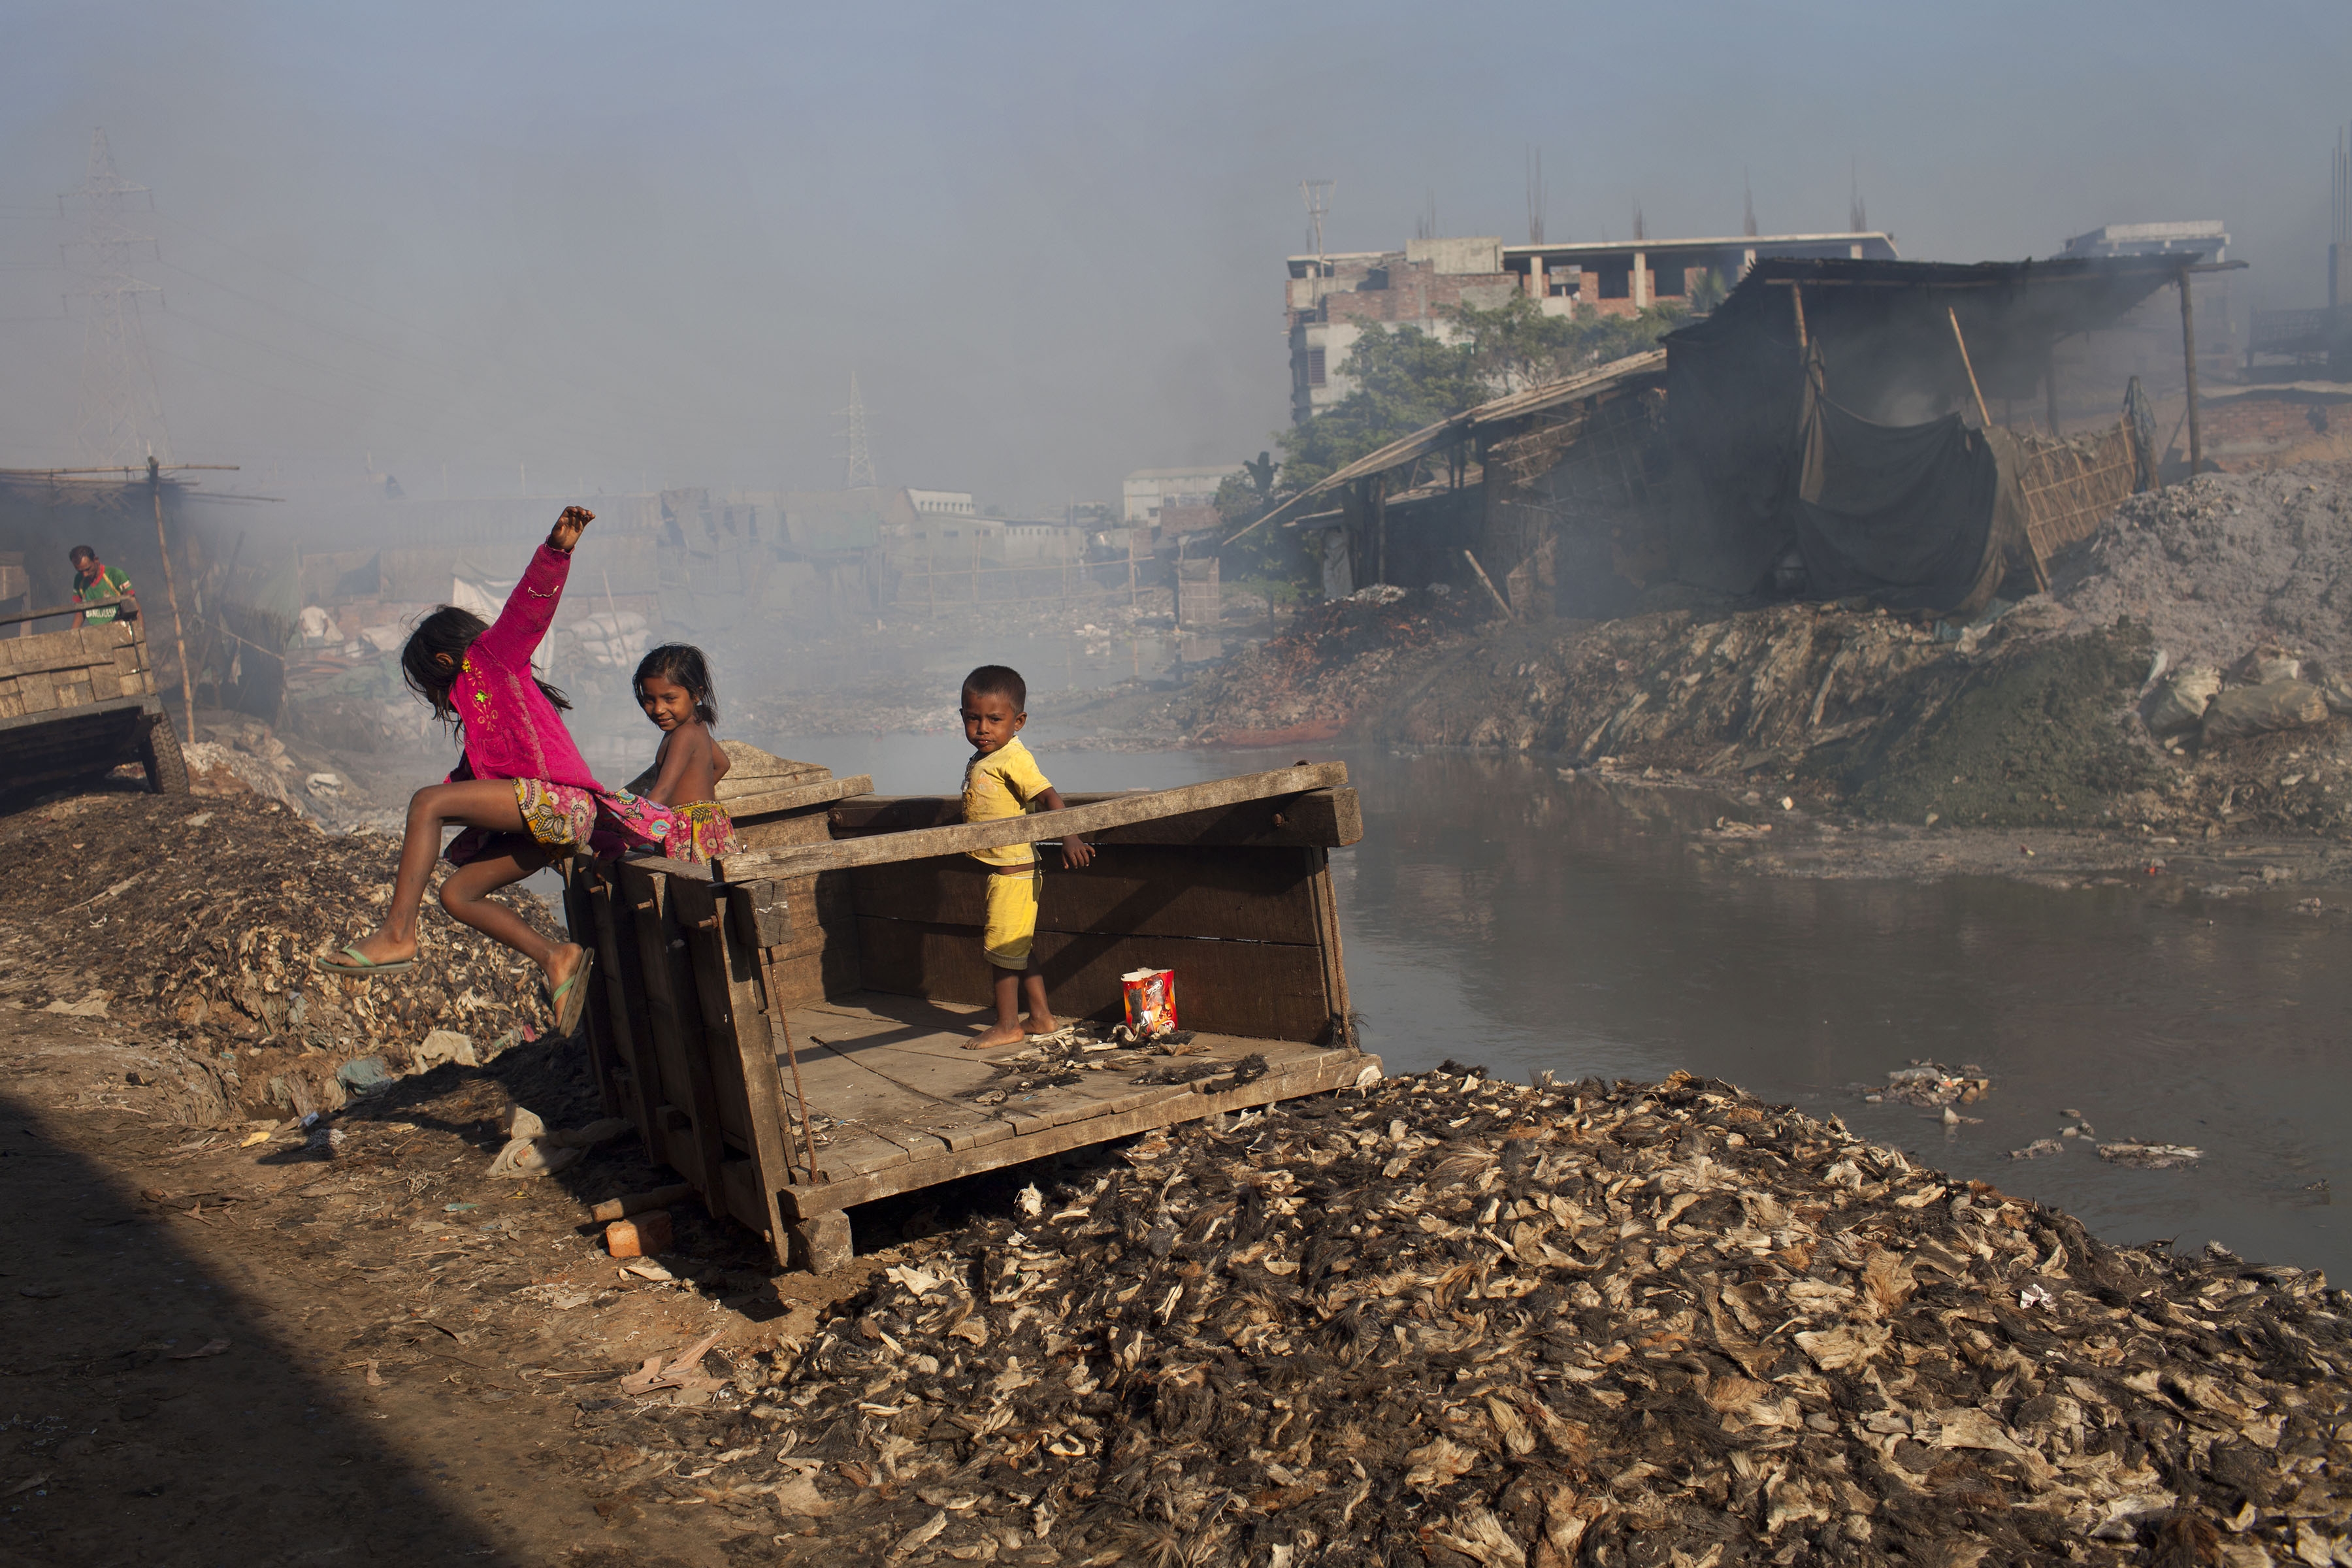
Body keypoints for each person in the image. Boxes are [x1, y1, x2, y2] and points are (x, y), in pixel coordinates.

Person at [317, 506, 674, 1036]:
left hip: (561, 806)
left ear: (442, 662)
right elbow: (465, 790)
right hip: (544, 827)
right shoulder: (480, 724)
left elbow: (528, 610)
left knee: (425, 803)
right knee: (457, 893)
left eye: (429, 686)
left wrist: (557, 552)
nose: (438, 701)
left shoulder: (492, 658)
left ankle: (397, 933)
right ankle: (557, 957)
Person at [957, 664, 1091, 1050]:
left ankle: (1007, 1025)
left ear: (1018, 722)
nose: (983, 728)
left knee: (1002, 950)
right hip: (1006, 871)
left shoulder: (1014, 757)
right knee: (1019, 947)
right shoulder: (987, 757)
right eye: (973, 719)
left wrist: (1069, 837)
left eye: (995, 720)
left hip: (1014, 873)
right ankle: (1041, 1018)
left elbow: (1048, 796)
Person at [632, 642, 742, 864]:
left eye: (669, 699)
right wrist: (700, 801)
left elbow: (662, 791)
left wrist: (630, 834)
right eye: (649, 700)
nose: (659, 709)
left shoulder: (683, 734)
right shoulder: (696, 726)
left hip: (689, 829)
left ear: (696, 694)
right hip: (705, 826)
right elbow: (723, 764)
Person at [68, 546, 138, 627]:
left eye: (88, 569)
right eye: (80, 571)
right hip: (96, 632)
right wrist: (72, 635)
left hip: (121, 627)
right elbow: (79, 611)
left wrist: (141, 637)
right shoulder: (79, 580)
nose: (85, 574)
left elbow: (134, 605)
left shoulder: (116, 575)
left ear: (96, 560)